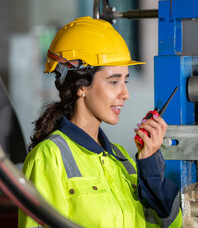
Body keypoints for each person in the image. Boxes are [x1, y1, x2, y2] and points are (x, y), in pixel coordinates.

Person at [18, 17, 182, 228]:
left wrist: (150, 166)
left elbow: (171, 225)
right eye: (114, 81)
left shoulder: (122, 160)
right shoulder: (48, 159)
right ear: (81, 86)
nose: (125, 94)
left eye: (126, 81)